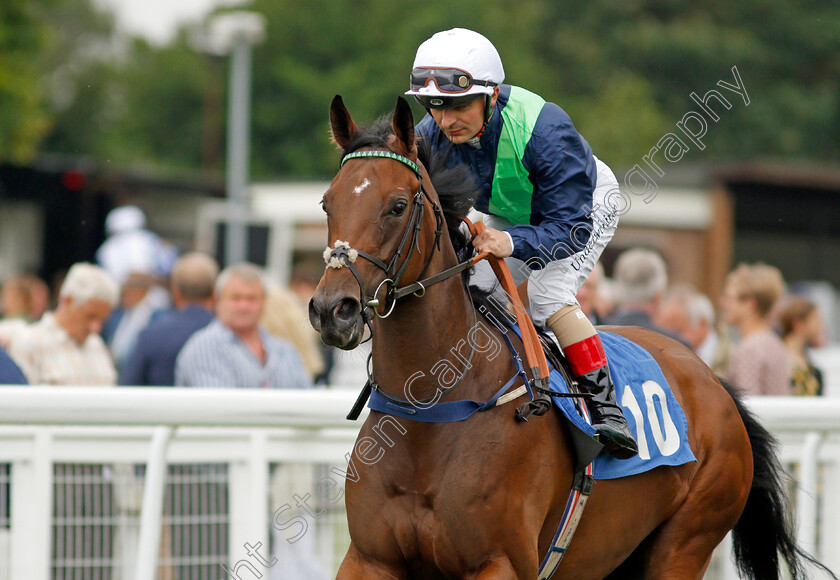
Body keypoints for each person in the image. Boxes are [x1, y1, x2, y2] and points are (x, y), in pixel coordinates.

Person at [407, 28, 634, 458]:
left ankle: (606, 408)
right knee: (466, 283)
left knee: (548, 295)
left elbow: (570, 229)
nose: (445, 120)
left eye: (457, 106)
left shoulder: (546, 129)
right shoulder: (431, 133)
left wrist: (509, 242)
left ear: (490, 95)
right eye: (434, 107)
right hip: (508, 207)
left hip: (581, 207)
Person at [175, 263, 312, 389]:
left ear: (264, 302)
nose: (244, 306)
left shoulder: (285, 350)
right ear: (218, 300)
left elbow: (306, 398)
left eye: (251, 298)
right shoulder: (204, 347)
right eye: (236, 298)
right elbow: (218, 408)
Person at [9, 263, 118, 386]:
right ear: (67, 301)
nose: (96, 327)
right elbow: (20, 402)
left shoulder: (97, 346)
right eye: (91, 316)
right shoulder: (29, 343)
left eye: (102, 320)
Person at [120, 252, 219, 386]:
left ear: (175, 292)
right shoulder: (229, 335)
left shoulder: (151, 334)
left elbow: (128, 386)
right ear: (214, 294)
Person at [720, 262, 791, 395]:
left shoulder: (750, 349)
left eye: (729, 298)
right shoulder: (774, 343)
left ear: (750, 304)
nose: (723, 303)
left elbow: (748, 405)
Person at [95, 205, 178, 287]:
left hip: (124, 294)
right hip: (152, 292)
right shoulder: (151, 239)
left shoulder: (106, 248)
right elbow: (170, 267)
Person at [656, 284, 730, 375]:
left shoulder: (731, 359)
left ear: (702, 324)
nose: (670, 337)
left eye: (678, 330)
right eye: (665, 331)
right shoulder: (670, 357)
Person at [779, 296, 826, 396]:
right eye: (815, 319)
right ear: (798, 324)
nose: (820, 325)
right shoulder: (778, 356)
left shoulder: (809, 362)